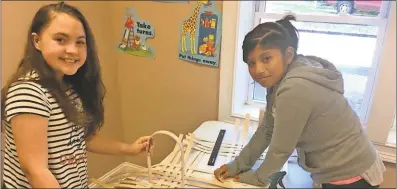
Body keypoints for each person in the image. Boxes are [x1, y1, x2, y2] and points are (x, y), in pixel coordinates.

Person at [214, 15, 386, 188]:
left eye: (266, 59)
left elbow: (281, 149)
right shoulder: (281, 75)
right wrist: (238, 165)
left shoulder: (295, 87)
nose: (258, 70)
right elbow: (268, 129)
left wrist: (259, 178)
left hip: (350, 173)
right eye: (251, 63)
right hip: (346, 164)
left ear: (288, 55)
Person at [1, 2, 153, 188]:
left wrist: (129, 148)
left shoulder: (67, 87)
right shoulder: (29, 93)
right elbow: (36, 172)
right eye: (60, 39)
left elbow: (80, 137)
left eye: (80, 42)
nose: (72, 50)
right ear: (36, 41)